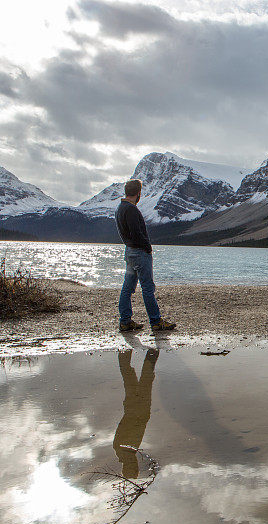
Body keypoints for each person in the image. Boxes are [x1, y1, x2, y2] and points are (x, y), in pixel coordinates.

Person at [116, 179, 176, 331]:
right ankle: (155, 321)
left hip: (129, 251)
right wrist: (147, 247)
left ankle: (125, 321)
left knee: (128, 288)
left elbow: (125, 233)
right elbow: (136, 232)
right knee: (147, 288)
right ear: (138, 193)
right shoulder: (131, 209)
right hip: (139, 253)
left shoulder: (120, 208)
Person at [113, 348, 158, 478]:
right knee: (144, 377)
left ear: (126, 467)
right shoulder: (128, 451)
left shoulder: (121, 449)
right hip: (140, 409)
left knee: (131, 376)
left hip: (134, 408)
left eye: (133, 466)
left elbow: (125, 425)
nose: (135, 463)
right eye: (135, 466)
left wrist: (138, 416)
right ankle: (152, 350)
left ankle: (125, 350)